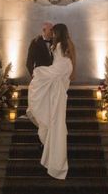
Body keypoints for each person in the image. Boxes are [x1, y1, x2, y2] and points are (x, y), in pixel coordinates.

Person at [26, 24, 76, 180]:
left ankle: (55, 157)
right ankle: (48, 145)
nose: (52, 34)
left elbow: (64, 66)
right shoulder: (46, 43)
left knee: (53, 118)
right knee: (50, 117)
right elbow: (64, 65)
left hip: (55, 81)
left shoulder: (61, 45)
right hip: (54, 82)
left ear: (58, 32)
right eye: (50, 31)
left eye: (54, 31)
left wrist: (40, 73)